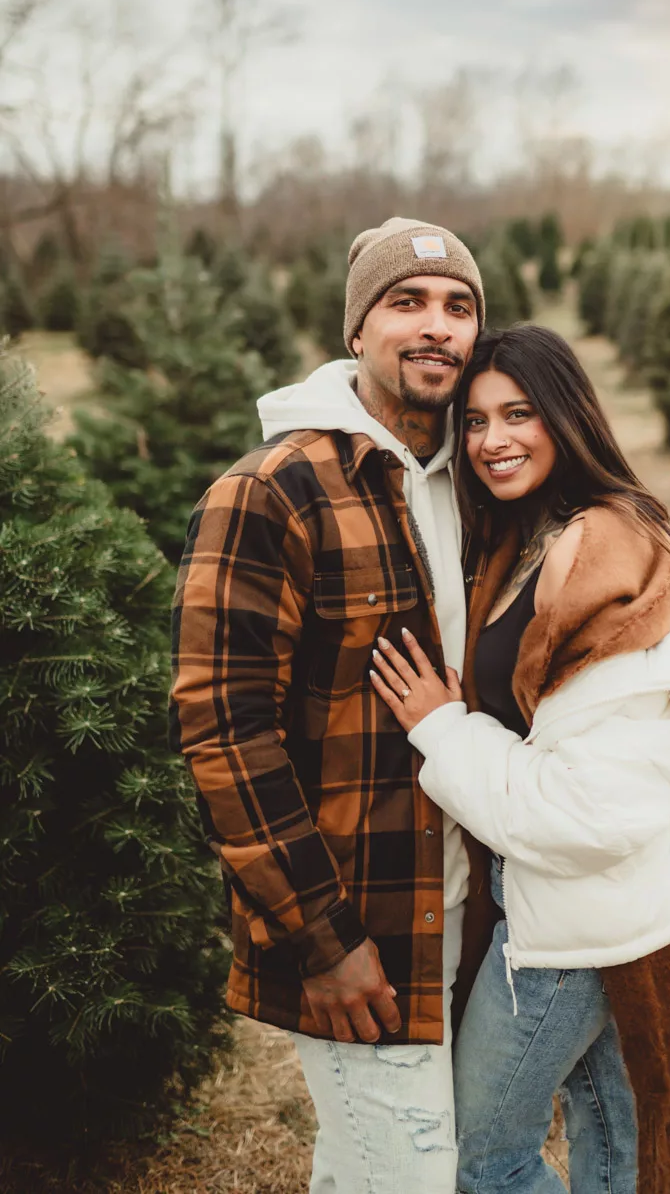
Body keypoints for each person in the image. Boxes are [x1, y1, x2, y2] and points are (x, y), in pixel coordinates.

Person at [370, 325, 670, 1194]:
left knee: (485, 1159)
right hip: (583, 908)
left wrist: (440, 726)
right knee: (615, 1150)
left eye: (519, 414)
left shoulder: (608, 556)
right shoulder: (537, 534)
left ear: (567, 414)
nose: (492, 440)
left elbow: (588, 813)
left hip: (571, 931)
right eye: (473, 421)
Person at [170, 217, 487, 1194]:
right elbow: (222, 726)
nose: (436, 326)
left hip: (465, 906)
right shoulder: (274, 490)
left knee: (372, 1165)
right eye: (407, 302)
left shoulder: (481, 482)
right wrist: (322, 939)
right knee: (414, 1173)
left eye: (458, 306)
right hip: (358, 922)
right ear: (357, 330)